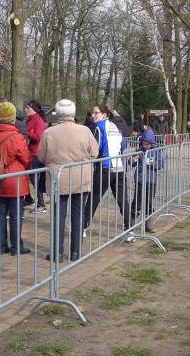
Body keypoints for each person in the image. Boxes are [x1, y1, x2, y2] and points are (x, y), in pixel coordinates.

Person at [37, 99, 97, 262]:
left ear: (58, 113)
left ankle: (57, 252)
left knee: (58, 215)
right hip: (81, 177)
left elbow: (41, 156)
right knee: (78, 214)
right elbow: (94, 152)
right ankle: (76, 251)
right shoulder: (85, 130)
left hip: (57, 177)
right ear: (73, 113)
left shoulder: (49, 132)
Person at [0, 102, 32, 255]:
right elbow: (26, 158)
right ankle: (16, 246)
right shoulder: (16, 136)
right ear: (13, 117)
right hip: (14, 180)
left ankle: (1, 246)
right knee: (15, 215)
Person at [84, 104, 132, 237]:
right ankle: (130, 230)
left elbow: (95, 149)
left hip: (104, 168)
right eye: (93, 113)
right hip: (119, 168)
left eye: (96, 113)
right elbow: (123, 145)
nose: (93, 115)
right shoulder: (115, 126)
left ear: (104, 114)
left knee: (94, 198)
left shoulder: (98, 127)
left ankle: (83, 226)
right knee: (123, 200)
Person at [131, 126, 164, 233]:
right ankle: (130, 224)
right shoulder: (139, 151)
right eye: (143, 144)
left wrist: (153, 164)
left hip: (151, 180)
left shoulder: (156, 152)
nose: (145, 146)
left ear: (151, 143)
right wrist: (133, 160)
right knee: (137, 201)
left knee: (149, 202)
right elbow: (131, 163)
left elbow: (161, 164)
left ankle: (148, 225)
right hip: (140, 180)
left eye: (147, 144)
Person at [25, 100, 48, 213]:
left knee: (35, 178)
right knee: (31, 177)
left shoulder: (38, 121)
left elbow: (39, 137)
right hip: (29, 152)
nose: (25, 110)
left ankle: (41, 204)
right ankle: (30, 199)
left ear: (34, 109)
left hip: (36, 153)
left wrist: (26, 133)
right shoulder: (29, 119)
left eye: (27, 108)